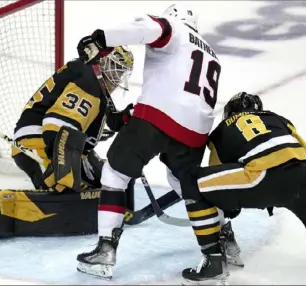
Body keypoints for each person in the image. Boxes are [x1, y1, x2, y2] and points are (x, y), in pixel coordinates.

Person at [74, 3, 242, 280]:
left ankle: (105, 251)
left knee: (115, 173)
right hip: (196, 131)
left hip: (157, 118)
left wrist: (100, 39)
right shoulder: (210, 53)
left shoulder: (172, 27)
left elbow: (147, 28)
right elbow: (183, 93)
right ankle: (222, 248)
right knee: (186, 185)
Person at [184, 91, 306, 284]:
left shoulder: (220, 133)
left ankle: (213, 261)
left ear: (228, 114)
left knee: (194, 185)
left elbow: (218, 181)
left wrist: (230, 212)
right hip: (304, 177)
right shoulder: (277, 119)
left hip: (260, 178)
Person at [0, 47, 136, 240]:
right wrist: (63, 169)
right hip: (39, 143)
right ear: (103, 62)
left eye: (121, 72)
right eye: (115, 69)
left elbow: (108, 119)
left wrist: (128, 117)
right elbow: (57, 125)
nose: (118, 77)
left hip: (61, 143)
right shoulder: (89, 84)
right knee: (65, 193)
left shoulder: (92, 79)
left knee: (107, 180)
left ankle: (106, 205)